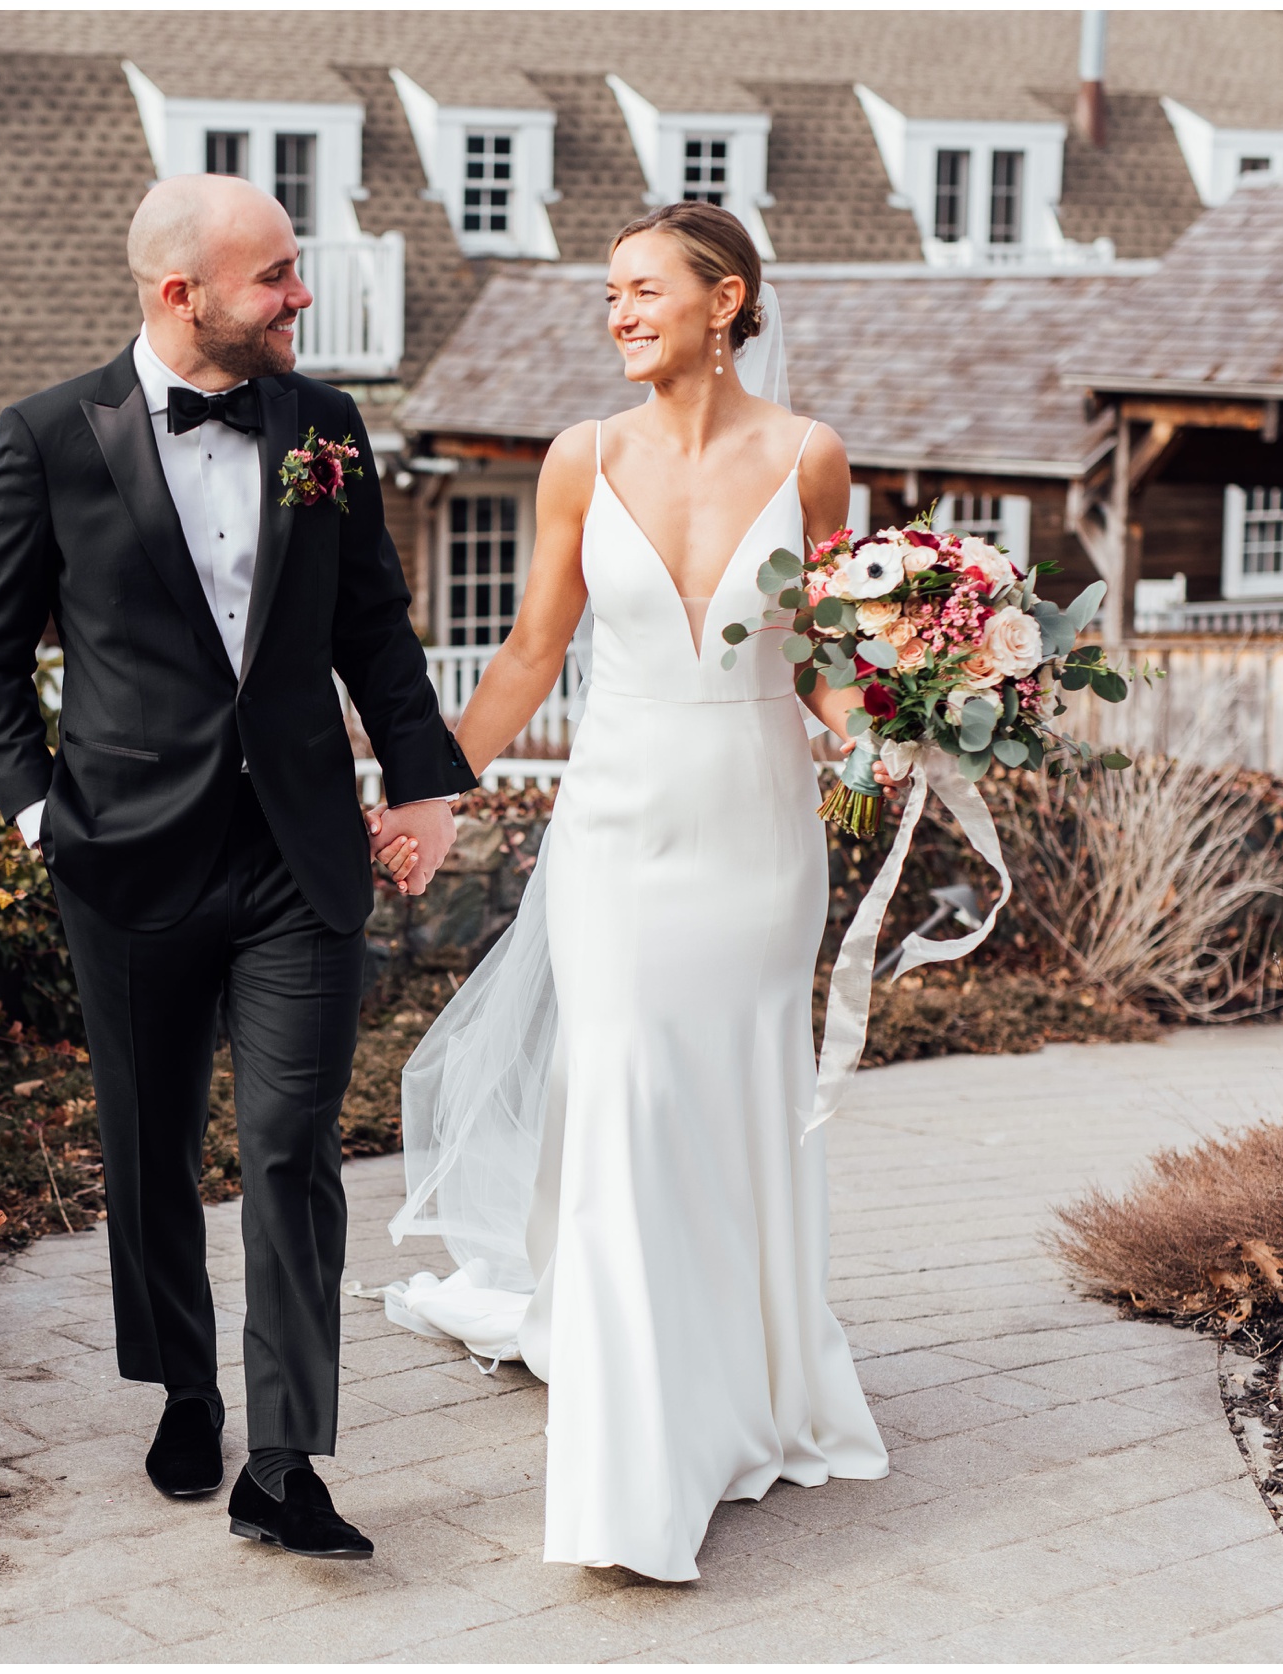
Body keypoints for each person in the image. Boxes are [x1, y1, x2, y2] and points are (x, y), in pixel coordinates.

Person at [0, 174, 478, 1560]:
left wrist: (422, 784)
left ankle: (288, 1455)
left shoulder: (328, 427)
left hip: (300, 853)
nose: (301, 296)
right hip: (124, 860)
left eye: (296, 270)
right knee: (151, 1142)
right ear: (180, 295)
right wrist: (38, 818)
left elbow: (376, 627)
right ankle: (187, 1386)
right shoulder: (52, 435)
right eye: (276, 278)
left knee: (294, 1145)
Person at [374, 201, 889, 1582]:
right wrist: (432, 786)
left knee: (727, 1101)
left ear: (725, 301)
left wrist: (910, 715)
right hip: (615, 833)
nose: (618, 313)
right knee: (616, 1104)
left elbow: (833, 665)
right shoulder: (576, 460)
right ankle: (627, 1463)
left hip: (757, 832)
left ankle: (744, 1385)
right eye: (609, 294)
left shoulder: (812, 459)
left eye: (643, 289)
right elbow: (533, 654)